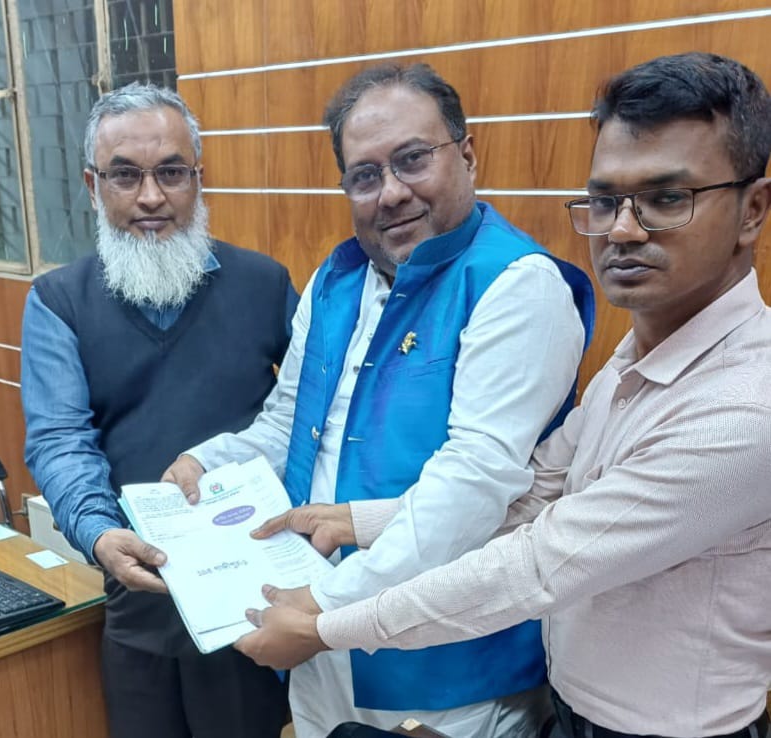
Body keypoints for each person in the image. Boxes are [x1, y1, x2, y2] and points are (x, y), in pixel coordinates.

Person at [235, 52, 771, 738]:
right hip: (569, 709)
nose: (622, 230)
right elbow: (540, 489)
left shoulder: (744, 408)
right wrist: (362, 521)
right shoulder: (638, 360)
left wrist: (326, 622)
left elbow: (537, 564)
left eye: (667, 199)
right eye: (604, 201)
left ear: (752, 210)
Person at [163, 63, 594, 738]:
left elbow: (473, 484)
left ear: (468, 154)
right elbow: (286, 424)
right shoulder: (336, 278)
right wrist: (205, 462)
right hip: (316, 635)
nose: (391, 192)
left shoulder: (516, 285)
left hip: (442, 659)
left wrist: (323, 606)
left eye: (412, 159)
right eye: (365, 175)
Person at [20, 82, 295, 738]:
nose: (150, 196)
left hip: (253, 598)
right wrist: (96, 532)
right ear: (93, 186)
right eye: (125, 175)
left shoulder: (266, 285)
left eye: (171, 172)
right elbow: (59, 438)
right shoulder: (58, 301)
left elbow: (306, 417)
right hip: (137, 593)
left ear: (198, 179)